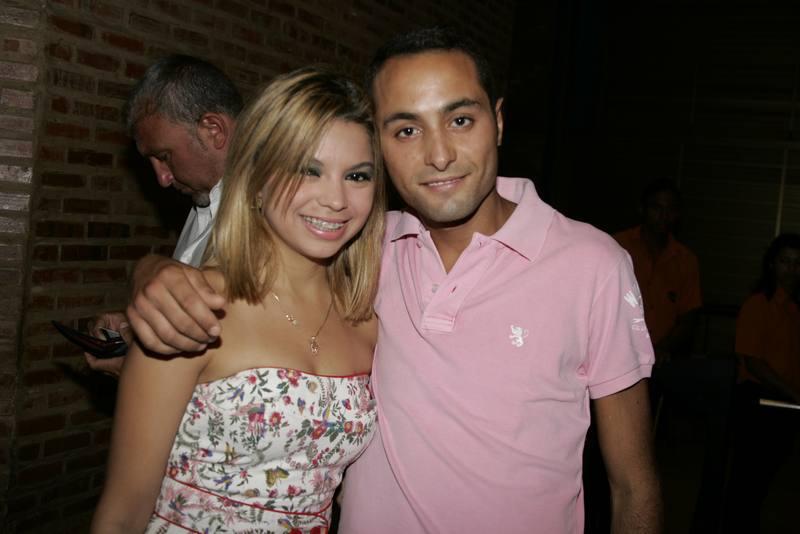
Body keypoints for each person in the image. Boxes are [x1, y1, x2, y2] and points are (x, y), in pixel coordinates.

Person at [125, 28, 662, 533]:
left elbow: (634, 485)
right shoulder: (364, 247)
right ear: (379, 146)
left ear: (498, 122)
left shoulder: (593, 264)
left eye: (460, 120)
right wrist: (154, 270)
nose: (439, 155)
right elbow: (256, 259)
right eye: (406, 129)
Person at [90, 67, 385, 533]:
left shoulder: (366, 320)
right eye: (308, 169)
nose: (336, 199)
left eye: (357, 175)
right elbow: (122, 515)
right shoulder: (192, 309)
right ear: (258, 177)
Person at [84, 54, 242, 374]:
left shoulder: (274, 217)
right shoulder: (203, 200)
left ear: (213, 130)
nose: (162, 178)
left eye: (165, 156)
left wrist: (147, 267)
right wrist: (138, 331)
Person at [724, 233, 800, 533]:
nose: (791, 269)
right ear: (772, 264)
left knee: (764, 481)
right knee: (746, 480)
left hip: (787, 404)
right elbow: (752, 361)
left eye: (797, 263)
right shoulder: (757, 304)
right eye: (785, 262)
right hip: (758, 402)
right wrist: (792, 393)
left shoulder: (795, 309)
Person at [614, 179, 702, 360]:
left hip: (663, 359)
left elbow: (689, 316)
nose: (664, 216)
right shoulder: (618, 246)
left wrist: (661, 350)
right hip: (616, 352)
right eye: (657, 208)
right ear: (642, 209)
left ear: (678, 214)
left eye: (671, 210)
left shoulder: (686, 260)